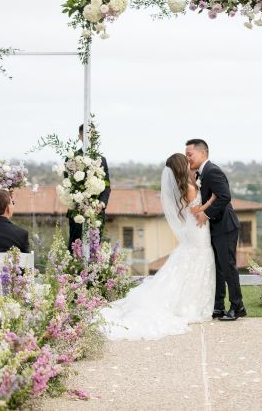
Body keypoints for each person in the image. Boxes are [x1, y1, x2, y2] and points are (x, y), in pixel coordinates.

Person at [100, 153, 215, 340]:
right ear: (181, 165)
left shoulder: (186, 184)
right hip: (197, 229)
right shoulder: (188, 187)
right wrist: (212, 200)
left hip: (194, 230)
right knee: (199, 259)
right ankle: (191, 302)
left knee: (194, 260)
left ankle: (191, 299)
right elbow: (196, 211)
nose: (189, 163)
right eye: (186, 162)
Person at [186, 139, 246, 321]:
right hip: (216, 228)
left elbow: (225, 196)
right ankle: (218, 306)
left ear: (202, 153)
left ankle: (238, 306)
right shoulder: (201, 173)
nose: (188, 158)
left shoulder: (212, 171)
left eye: (190, 154)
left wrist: (207, 214)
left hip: (225, 227)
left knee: (227, 267)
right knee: (219, 268)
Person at [67, 124, 111, 247]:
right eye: (86, 135)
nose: (89, 138)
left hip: (97, 213)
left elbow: (106, 186)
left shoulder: (102, 160)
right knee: (75, 248)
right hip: (78, 213)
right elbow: (69, 185)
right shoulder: (72, 159)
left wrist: (101, 204)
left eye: (92, 135)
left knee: (95, 249)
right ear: (80, 137)